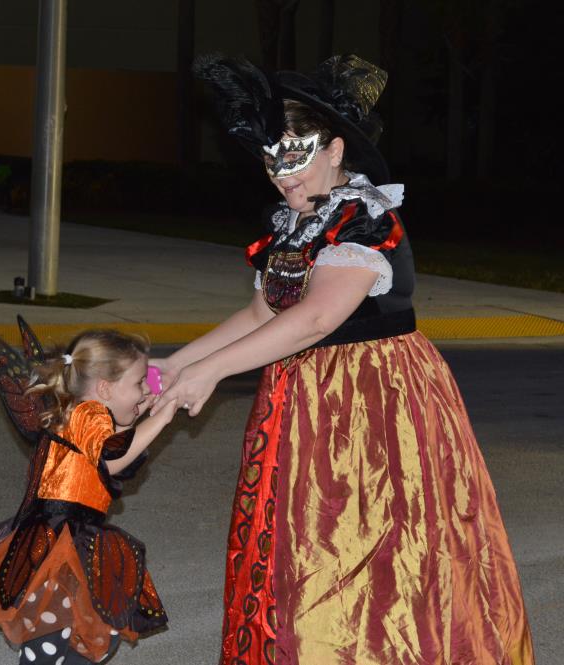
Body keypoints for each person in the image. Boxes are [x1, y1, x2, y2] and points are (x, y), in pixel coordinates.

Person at [151, 55, 535, 664]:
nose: (281, 176)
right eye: (270, 161)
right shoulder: (294, 223)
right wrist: (178, 365)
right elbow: (262, 314)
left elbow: (317, 318)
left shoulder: (364, 217)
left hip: (374, 401)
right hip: (300, 399)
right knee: (299, 542)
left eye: (294, 158)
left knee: (364, 550)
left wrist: (213, 372)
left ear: (334, 149)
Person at [0, 321, 176, 665]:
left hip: (66, 536)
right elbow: (112, 459)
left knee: (84, 624)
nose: (145, 390)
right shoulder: (87, 415)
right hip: (58, 543)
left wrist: (145, 407)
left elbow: (116, 437)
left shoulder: (81, 410)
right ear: (105, 388)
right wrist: (163, 417)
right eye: (139, 383)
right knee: (56, 628)